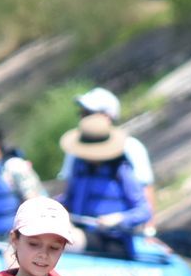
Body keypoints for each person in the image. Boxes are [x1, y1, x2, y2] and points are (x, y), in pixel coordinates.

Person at [57, 89, 155, 258]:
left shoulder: (122, 168)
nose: (84, 117)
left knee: (68, 239)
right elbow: (68, 199)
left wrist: (119, 219)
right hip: (84, 234)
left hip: (112, 241)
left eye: (88, 113)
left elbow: (144, 209)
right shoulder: (79, 165)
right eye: (83, 114)